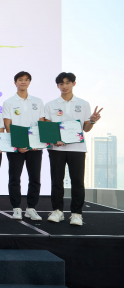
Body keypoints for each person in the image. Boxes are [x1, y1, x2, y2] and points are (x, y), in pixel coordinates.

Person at [44, 72, 102, 226]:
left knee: (77, 182)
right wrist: (53, 140)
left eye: (67, 83)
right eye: (61, 84)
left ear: (74, 84)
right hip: (56, 149)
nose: (64, 86)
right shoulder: (50, 105)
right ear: (57, 86)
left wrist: (92, 121)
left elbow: (86, 128)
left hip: (77, 148)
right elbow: (48, 127)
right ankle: (57, 211)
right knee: (57, 181)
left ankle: (76, 214)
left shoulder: (83, 103)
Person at [2, 71, 45, 221]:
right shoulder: (9, 102)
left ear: (29, 83)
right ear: (15, 82)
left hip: (34, 147)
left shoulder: (38, 101)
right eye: (20, 80)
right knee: (14, 178)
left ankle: (31, 208)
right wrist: (18, 144)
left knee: (35, 178)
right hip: (16, 147)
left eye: (26, 80)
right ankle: (16, 208)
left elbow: (41, 122)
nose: (23, 82)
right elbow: (8, 125)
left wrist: (35, 143)